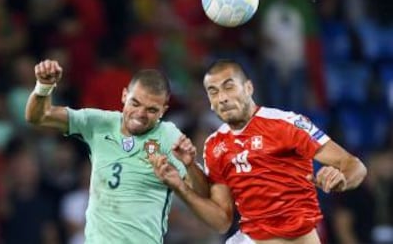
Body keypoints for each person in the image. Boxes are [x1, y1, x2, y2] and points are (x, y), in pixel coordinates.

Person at [149, 60, 367, 244]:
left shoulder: (286, 124)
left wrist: (342, 179)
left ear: (249, 88)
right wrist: (182, 179)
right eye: (213, 92)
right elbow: (221, 221)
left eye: (229, 87)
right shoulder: (215, 145)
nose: (222, 98)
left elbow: (355, 166)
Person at [24, 59, 206, 244]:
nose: (140, 115)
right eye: (135, 103)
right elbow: (38, 116)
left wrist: (190, 165)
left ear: (163, 111)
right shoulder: (99, 123)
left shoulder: (169, 137)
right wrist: (43, 87)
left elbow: (204, 193)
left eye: (151, 109)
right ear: (124, 96)